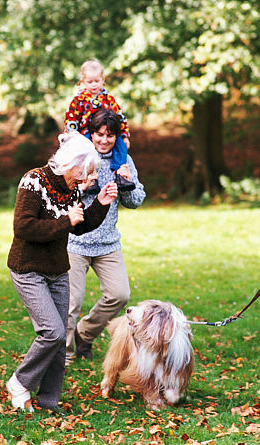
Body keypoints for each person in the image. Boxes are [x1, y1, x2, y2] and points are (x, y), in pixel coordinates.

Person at [6, 131, 118, 413]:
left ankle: (48, 401)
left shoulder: (72, 187)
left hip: (57, 270)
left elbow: (78, 225)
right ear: (72, 163)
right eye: (85, 172)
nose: (87, 179)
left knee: (61, 335)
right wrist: (64, 220)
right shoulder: (34, 181)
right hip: (28, 268)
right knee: (52, 332)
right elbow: (24, 227)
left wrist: (100, 205)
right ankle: (20, 382)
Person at [66, 109, 146, 365]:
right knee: (71, 303)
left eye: (109, 136)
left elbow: (135, 202)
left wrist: (127, 182)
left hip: (107, 243)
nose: (103, 140)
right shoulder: (79, 156)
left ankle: (84, 334)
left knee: (119, 295)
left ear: (116, 137)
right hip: (76, 241)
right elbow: (61, 197)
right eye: (99, 134)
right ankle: (64, 356)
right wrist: (82, 187)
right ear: (91, 133)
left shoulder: (122, 159)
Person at [64, 59, 134, 191]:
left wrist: (124, 135)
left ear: (103, 80)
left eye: (97, 81)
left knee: (121, 147)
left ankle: (120, 174)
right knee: (87, 151)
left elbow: (120, 117)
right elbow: (71, 118)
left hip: (108, 130)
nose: (93, 85)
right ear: (82, 82)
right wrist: (71, 135)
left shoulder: (109, 99)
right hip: (87, 133)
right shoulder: (79, 100)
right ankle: (91, 178)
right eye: (89, 82)